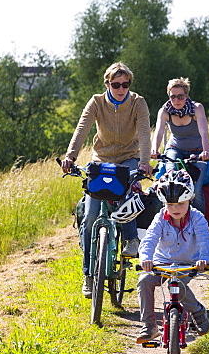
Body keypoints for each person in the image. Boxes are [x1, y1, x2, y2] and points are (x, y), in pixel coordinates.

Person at [62, 62, 151, 297]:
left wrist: (143, 161)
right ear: (107, 84)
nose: (121, 88)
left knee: (129, 192)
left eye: (125, 84)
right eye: (116, 84)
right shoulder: (96, 102)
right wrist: (70, 156)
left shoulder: (137, 103)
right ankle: (88, 276)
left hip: (129, 159)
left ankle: (131, 239)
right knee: (91, 215)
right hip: (101, 160)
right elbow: (82, 128)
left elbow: (144, 132)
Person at [136, 169, 209, 343]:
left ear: (190, 200)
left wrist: (204, 259)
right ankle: (149, 325)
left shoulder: (197, 218)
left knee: (177, 285)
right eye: (170, 205)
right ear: (163, 203)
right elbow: (149, 239)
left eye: (180, 204)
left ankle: (197, 312)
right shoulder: (160, 219)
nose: (175, 209)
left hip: (188, 263)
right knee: (144, 281)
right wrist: (145, 259)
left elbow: (205, 240)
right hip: (161, 262)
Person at [150, 77, 209, 211]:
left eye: (180, 96)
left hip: (197, 151)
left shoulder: (196, 108)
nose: (176, 100)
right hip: (175, 149)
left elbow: (204, 132)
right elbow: (159, 132)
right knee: (171, 183)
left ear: (187, 96)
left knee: (197, 191)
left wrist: (206, 151)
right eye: (173, 97)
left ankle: (201, 227)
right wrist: (154, 149)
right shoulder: (165, 111)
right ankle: (169, 222)